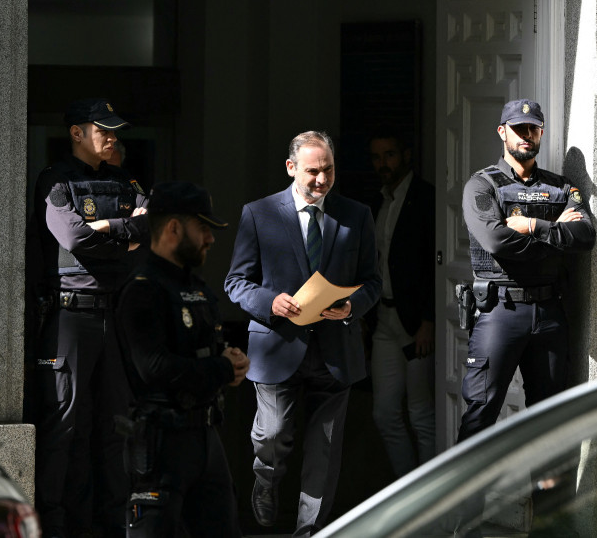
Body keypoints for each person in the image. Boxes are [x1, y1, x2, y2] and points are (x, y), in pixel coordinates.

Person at [224, 130, 382, 536]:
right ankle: (266, 478)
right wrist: (270, 302)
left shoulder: (356, 215)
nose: (321, 179)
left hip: (335, 349)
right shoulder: (259, 213)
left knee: (324, 453)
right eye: (313, 171)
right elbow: (236, 282)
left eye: (328, 170)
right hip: (278, 345)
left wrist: (351, 305)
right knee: (273, 434)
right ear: (291, 168)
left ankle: (309, 531)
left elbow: (372, 281)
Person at [31, 98, 149, 538]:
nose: (112, 138)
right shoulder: (56, 180)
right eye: (103, 130)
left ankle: (111, 524)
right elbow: (73, 237)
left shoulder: (125, 181)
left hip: (114, 316)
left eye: (115, 131)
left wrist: (106, 229)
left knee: (115, 424)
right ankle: (57, 524)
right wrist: (123, 233)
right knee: (65, 425)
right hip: (70, 317)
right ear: (77, 133)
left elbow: (150, 226)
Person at [115, 181, 250, 537]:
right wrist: (221, 368)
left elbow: (205, 351)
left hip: (206, 437)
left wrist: (230, 360)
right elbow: (154, 368)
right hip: (161, 442)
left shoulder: (198, 288)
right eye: (203, 227)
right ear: (174, 228)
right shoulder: (143, 288)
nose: (211, 238)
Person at [457, 99, 596, 444]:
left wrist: (533, 225)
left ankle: (545, 484)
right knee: (480, 417)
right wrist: (556, 234)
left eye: (533, 128)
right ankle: (469, 484)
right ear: (502, 132)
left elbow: (584, 236)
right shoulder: (482, 186)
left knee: (549, 422)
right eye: (519, 129)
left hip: (549, 313)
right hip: (500, 312)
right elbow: (497, 242)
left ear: (541, 134)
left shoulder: (561, 188)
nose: (526, 135)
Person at [367, 128, 436, 478]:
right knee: (384, 414)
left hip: (416, 323)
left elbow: (436, 263)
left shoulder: (427, 198)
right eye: (377, 157)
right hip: (383, 318)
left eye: (390, 155)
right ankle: (408, 489)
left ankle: (431, 499)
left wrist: (429, 320)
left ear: (406, 155)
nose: (383, 163)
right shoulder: (378, 201)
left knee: (421, 413)